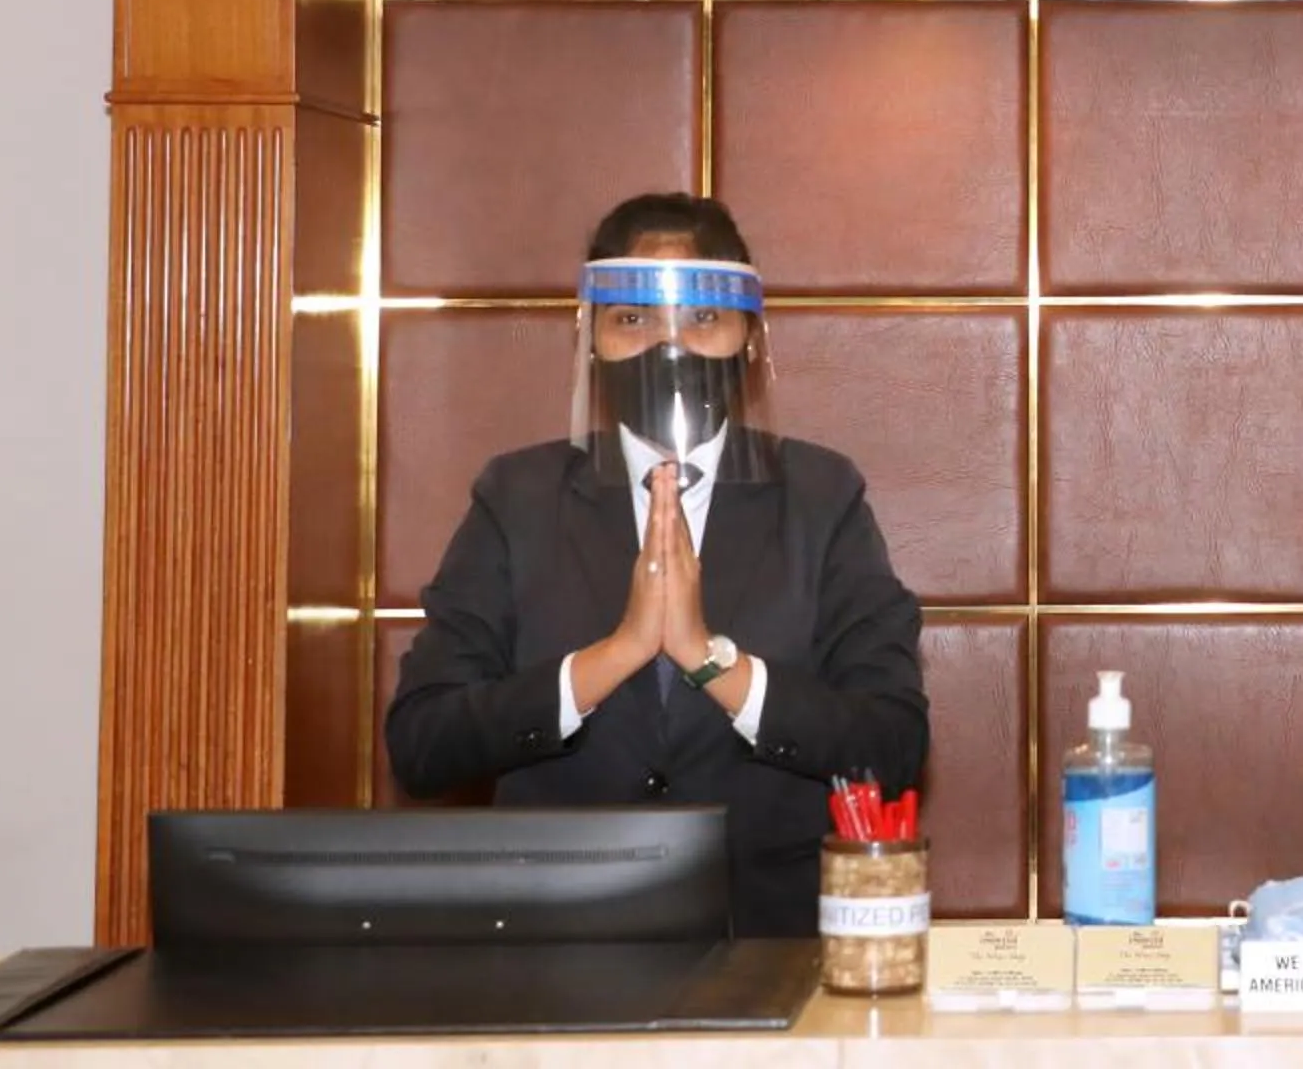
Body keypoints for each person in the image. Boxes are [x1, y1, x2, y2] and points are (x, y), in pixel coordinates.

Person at [386, 191, 927, 936]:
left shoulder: (820, 495)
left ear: (745, 331)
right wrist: (616, 655)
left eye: (702, 317)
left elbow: (891, 745)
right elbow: (423, 744)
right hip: (557, 943)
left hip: (770, 941)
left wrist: (711, 662)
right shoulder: (518, 496)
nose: (668, 346)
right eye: (633, 318)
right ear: (593, 338)